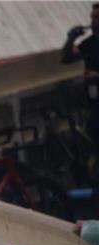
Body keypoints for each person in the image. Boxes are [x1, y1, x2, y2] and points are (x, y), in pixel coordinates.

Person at [61, 4, 99, 159]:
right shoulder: (89, 43)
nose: (93, 21)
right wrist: (70, 40)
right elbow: (66, 58)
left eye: (97, 18)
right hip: (95, 103)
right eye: (92, 17)